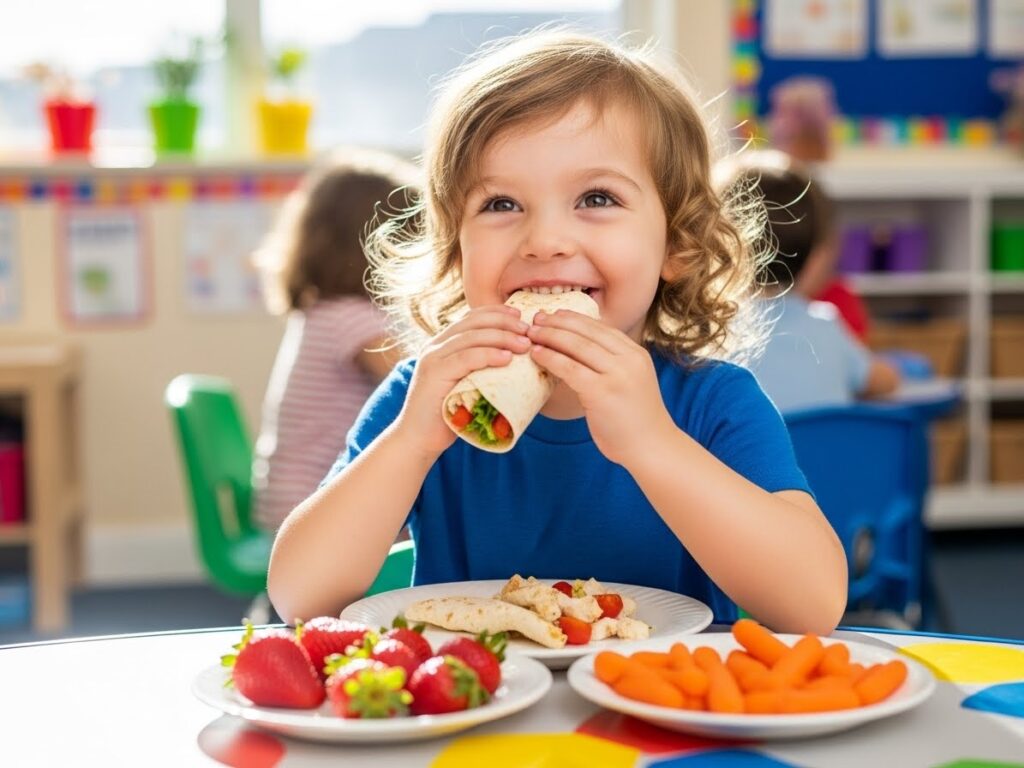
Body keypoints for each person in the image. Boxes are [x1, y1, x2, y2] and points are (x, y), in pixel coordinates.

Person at [268, 31, 847, 634]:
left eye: (596, 197)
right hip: (482, 712)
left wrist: (652, 443)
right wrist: (413, 442)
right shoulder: (425, 395)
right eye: (500, 205)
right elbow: (300, 595)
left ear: (676, 242)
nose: (544, 241)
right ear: (456, 250)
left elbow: (812, 605)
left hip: (668, 712)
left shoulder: (713, 403)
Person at [251, 148, 418, 532]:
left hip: (296, 497)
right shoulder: (351, 319)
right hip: (311, 504)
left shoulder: (324, 311)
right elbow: (419, 382)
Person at [719, 149, 900, 413]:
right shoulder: (825, 324)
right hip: (827, 455)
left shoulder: (711, 332)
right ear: (815, 256)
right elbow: (884, 381)